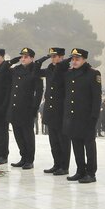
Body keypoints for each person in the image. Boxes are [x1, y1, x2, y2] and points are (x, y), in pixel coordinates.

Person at [64, 48, 101, 184]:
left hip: (87, 118)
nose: (74, 61)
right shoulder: (69, 74)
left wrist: (94, 117)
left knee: (89, 146)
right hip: (73, 117)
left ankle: (91, 173)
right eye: (72, 59)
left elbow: (96, 98)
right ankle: (80, 171)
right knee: (76, 145)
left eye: (77, 59)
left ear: (84, 59)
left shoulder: (92, 74)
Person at [6, 47, 47, 169]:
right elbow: (3, 71)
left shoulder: (35, 70)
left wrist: (34, 108)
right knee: (18, 134)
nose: (23, 59)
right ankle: (23, 157)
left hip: (27, 109)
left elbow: (39, 92)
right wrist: (11, 62)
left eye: (26, 57)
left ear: (32, 58)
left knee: (28, 135)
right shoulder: (16, 69)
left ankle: (29, 159)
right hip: (14, 107)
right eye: (22, 57)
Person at [40, 47, 72, 176]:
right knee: (53, 141)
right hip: (50, 110)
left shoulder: (66, 71)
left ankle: (64, 167)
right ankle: (56, 164)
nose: (52, 58)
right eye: (51, 56)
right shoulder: (49, 69)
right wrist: (44, 59)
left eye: (55, 56)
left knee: (63, 141)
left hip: (61, 111)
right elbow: (35, 70)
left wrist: (64, 63)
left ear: (61, 57)